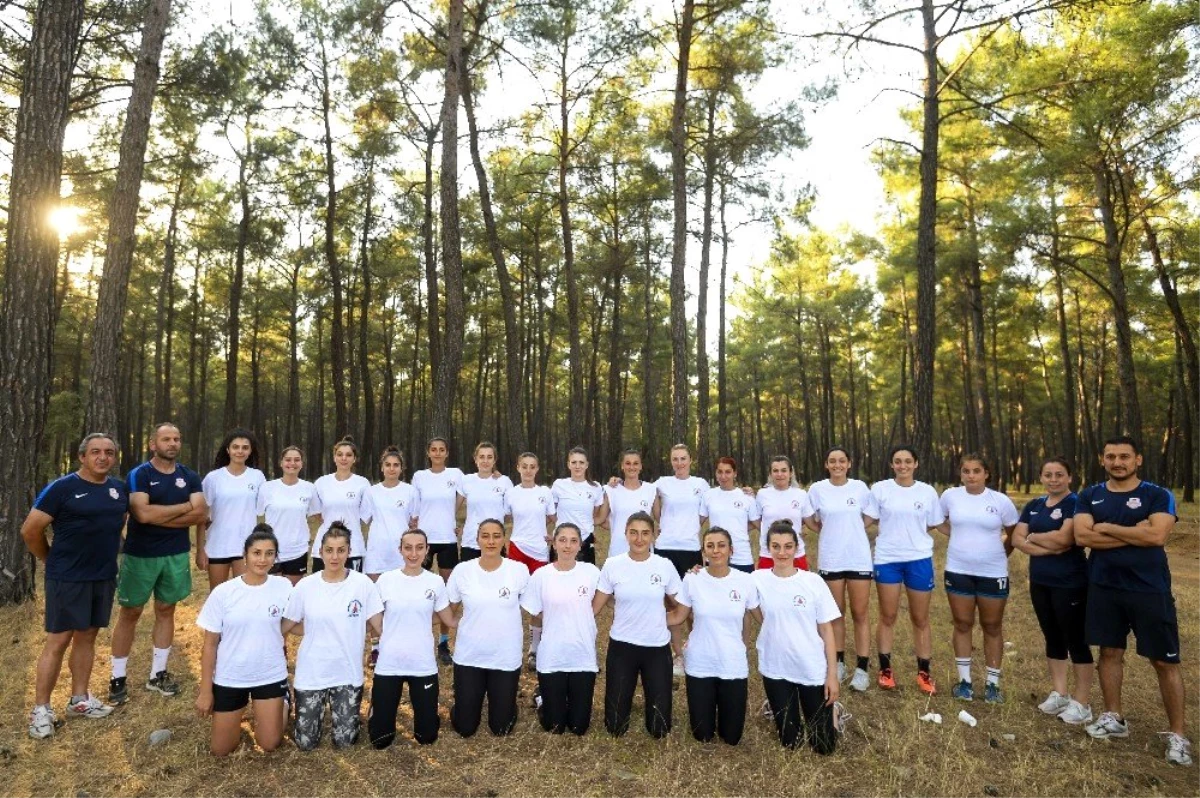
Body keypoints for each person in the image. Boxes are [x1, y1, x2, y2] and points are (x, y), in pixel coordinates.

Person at [1074, 435, 1192, 766]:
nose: (1117, 462)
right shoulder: (1090, 495)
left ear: (1137, 459)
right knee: (1110, 652)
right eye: (1111, 456)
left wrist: (1108, 528)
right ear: (1102, 459)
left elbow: (1157, 535)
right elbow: (1083, 536)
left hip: (1149, 589)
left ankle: (1178, 734)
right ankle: (1114, 718)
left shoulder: (1157, 495)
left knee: (1164, 661)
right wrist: (1133, 533)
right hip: (1104, 587)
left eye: (1124, 456)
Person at [22, 433, 128, 738]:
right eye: (95, 452)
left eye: (109, 452)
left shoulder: (118, 489)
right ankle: (41, 710)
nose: (103, 457)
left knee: (88, 636)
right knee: (59, 639)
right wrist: (50, 560)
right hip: (67, 577)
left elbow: (117, 523)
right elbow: (30, 530)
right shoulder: (62, 488)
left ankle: (79, 699)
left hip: (103, 575)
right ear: (82, 457)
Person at [109, 422, 207, 705]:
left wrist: (160, 514)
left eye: (176, 439)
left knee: (166, 609)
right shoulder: (140, 474)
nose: (173, 443)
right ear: (153, 444)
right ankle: (117, 677)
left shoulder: (189, 476)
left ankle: (158, 673)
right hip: (140, 554)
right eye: (166, 439)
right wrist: (183, 509)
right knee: (130, 612)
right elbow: (142, 514)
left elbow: (200, 512)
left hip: (175, 554)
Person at [282, 523, 383, 750]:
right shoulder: (306, 586)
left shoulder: (363, 584)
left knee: (345, 743)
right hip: (312, 673)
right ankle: (287, 701)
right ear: (320, 551)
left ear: (349, 551)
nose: (334, 556)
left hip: (347, 674)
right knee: (306, 743)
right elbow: (287, 625)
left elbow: (380, 625)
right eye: (329, 550)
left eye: (341, 550)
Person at [194, 526, 292, 756]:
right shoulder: (224, 592)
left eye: (269, 553)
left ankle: (284, 701)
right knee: (221, 750)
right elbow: (209, 645)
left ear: (275, 557)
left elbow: (295, 624)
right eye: (256, 553)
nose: (262, 559)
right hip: (231, 676)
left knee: (269, 744)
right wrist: (206, 691)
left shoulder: (284, 587)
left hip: (269, 673)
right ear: (245, 555)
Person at [1011, 457, 1093, 724]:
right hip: (1041, 582)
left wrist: (1034, 538)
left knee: (1076, 639)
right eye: (1048, 475)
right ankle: (1060, 693)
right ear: (1041, 477)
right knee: (1053, 636)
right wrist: (1048, 544)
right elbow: (1016, 539)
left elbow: (1067, 538)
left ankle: (1082, 703)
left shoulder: (1076, 503)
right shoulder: (1034, 505)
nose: (1054, 479)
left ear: (1070, 477)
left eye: (1060, 474)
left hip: (1070, 582)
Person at [752, 520, 842, 753]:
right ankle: (778, 707)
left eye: (788, 546)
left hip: (809, 666)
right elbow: (723, 582)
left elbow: (827, 630)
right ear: (767, 548)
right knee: (791, 742)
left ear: (797, 548)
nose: (782, 552)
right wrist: (698, 570)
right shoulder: (756, 579)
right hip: (775, 667)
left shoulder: (812, 582)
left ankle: (833, 711)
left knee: (823, 746)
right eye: (776, 546)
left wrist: (832, 675)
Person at [593, 511, 682, 739]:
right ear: (625, 534)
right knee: (615, 727)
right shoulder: (613, 565)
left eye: (645, 533)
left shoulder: (664, 565)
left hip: (657, 647)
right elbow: (595, 607)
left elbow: (681, 605)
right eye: (633, 533)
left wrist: (667, 620)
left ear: (653, 535)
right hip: (622, 646)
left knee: (659, 728)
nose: (639, 539)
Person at [938, 454, 1019, 703]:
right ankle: (965, 682)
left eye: (976, 471)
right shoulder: (950, 496)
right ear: (960, 474)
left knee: (992, 626)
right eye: (966, 471)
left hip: (993, 572)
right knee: (962, 623)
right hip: (958, 569)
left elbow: (1012, 533)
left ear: (986, 473)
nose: (971, 475)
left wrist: (996, 554)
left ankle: (992, 685)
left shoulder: (1001, 501)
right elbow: (939, 522)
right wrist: (961, 536)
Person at [369, 529, 458, 747]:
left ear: (427, 550)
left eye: (420, 547)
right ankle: (376, 709)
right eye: (408, 548)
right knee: (380, 740)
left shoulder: (435, 582)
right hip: (390, 664)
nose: (413, 553)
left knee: (427, 737)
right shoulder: (386, 580)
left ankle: (428, 711)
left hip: (422, 664)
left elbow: (447, 618)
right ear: (400, 550)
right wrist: (390, 635)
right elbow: (375, 618)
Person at [669, 527, 758, 745]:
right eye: (710, 546)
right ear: (703, 552)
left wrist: (743, 646)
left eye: (721, 545)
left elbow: (753, 616)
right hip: (700, 663)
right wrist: (640, 617)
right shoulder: (692, 579)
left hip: (732, 663)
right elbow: (678, 616)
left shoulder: (746, 581)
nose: (716, 550)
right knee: (702, 735)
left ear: (731, 550)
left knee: (732, 738)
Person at [869, 444, 944, 695]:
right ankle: (885, 669)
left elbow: (935, 523)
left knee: (920, 618)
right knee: (887, 616)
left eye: (907, 461)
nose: (903, 466)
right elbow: (867, 519)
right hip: (887, 559)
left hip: (919, 559)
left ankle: (924, 673)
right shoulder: (880, 489)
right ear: (892, 464)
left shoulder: (927, 492)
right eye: (898, 461)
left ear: (916, 464)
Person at [447, 518, 531, 737]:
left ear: (504, 540)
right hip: (470, 656)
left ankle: (507, 703)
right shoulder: (463, 570)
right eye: (485, 536)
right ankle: (464, 705)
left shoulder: (518, 570)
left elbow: (534, 608)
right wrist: (451, 622)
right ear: (477, 540)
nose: (491, 541)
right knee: (465, 728)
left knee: (501, 728)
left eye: (496, 536)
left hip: (504, 657)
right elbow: (448, 609)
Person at [807, 446, 878, 692]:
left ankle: (862, 668)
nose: (837, 465)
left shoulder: (860, 488)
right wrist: (829, 530)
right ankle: (838, 662)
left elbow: (869, 517)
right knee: (835, 614)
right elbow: (810, 520)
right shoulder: (817, 489)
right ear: (826, 465)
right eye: (832, 461)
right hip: (831, 559)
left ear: (849, 463)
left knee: (860, 613)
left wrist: (853, 529)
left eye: (841, 461)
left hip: (857, 558)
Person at [521, 523, 601, 735]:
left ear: (580, 545)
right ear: (554, 543)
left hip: (582, 655)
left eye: (573, 541)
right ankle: (542, 697)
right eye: (562, 540)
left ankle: (571, 698)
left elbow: (612, 593)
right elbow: (534, 610)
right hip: (552, 657)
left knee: (578, 727)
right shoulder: (541, 575)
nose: (568, 546)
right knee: (554, 726)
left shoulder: (592, 573)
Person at [654, 443, 708, 674]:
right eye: (675, 459)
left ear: (690, 459)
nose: (679, 463)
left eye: (683, 458)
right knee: (671, 602)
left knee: (692, 601)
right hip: (665, 548)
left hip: (690, 548)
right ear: (671, 460)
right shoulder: (661, 483)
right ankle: (678, 655)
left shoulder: (701, 484)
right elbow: (653, 509)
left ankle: (698, 649)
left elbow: (704, 513)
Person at [411, 436, 465, 664]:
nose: (437, 453)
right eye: (433, 449)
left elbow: (464, 494)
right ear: (428, 453)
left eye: (441, 450)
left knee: (448, 594)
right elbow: (414, 502)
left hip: (447, 539)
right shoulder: (419, 477)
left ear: (446, 453)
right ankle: (416, 639)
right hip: (423, 541)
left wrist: (450, 515)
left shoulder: (456, 474)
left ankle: (443, 642)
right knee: (417, 591)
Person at [504, 452, 556, 668]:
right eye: (524, 466)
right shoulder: (510, 493)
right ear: (518, 468)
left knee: (539, 601)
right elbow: (504, 518)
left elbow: (554, 518)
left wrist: (555, 534)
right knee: (512, 600)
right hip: (517, 548)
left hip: (539, 552)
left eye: (532, 466)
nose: (528, 470)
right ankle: (511, 644)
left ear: (537, 469)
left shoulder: (545, 492)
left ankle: (535, 649)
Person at [198, 428, 266, 588]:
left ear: (250, 451)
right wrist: (200, 550)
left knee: (245, 595)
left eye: (245, 447)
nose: (240, 451)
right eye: (235, 447)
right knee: (217, 595)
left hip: (246, 546)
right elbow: (201, 516)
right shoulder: (213, 478)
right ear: (228, 450)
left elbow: (265, 512)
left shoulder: (257, 477)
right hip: (217, 546)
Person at [257, 446, 321, 586]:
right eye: (288, 460)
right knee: (273, 594)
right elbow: (258, 516)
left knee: (292, 595)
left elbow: (319, 516)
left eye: (297, 460)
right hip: (271, 549)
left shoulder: (309, 488)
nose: (292, 463)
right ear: (281, 463)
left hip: (297, 549)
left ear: (302, 463)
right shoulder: (267, 488)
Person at [311, 437, 370, 573]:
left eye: (348, 455)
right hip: (325, 545)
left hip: (353, 547)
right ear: (334, 457)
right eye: (340, 454)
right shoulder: (321, 483)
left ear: (354, 459)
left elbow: (364, 515)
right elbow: (317, 514)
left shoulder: (362, 483)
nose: (344, 458)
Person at [363, 447, 419, 579]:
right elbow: (366, 519)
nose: (391, 468)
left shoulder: (410, 491)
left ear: (401, 468)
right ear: (382, 468)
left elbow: (414, 522)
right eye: (387, 465)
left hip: (401, 551)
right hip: (377, 552)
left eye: (396, 465)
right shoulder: (371, 492)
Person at [754, 455, 814, 570]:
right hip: (768, 554)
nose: (779, 474)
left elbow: (810, 522)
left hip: (795, 554)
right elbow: (756, 521)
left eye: (784, 470)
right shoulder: (762, 494)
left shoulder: (801, 494)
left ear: (791, 472)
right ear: (770, 474)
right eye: (775, 471)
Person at [702, 457, 760, 573]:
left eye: (728, 472)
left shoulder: (746, 496)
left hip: (741, 557)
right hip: (716, 555)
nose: (723, 476)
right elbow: (696, 522)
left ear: (735, 473)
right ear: (716, 473)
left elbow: (759, 524)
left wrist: (740, 527)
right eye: (720, 472)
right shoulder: (708, 495)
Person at [551, 447, 609, 564]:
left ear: (587, 465)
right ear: (568, 464)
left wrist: (585, 526)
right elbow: (551, 512)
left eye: (581, 462)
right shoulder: (559, 485)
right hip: (562, 540)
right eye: (574, 462)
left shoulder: (595, 487)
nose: (577, 466)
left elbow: (594, 515)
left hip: (585, 540)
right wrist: (561, 525)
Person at [457, 441, 512, 562]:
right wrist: (457, 526)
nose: (485, 461)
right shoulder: (466, 480)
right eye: (481, 457)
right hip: (471, 541)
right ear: (475, 459)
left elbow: (509, 513)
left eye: (489, 457)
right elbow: (453, 508)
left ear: (494, 460)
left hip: (496, 541)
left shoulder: (504, 481)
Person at [603, 449, 656, 559]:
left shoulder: (651, 489)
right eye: (628, 463)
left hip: (643, 549)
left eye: (636, 463)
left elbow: (661, 519)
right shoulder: (611, 490)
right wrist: (615, 526)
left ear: (641, 466)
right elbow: (599, 518)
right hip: (618, 549)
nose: (632, 467)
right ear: (622, 466)